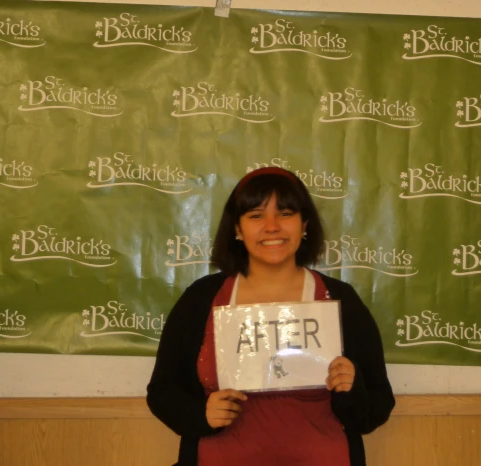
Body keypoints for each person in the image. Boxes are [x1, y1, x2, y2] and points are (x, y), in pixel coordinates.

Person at [146, 167, 394, 466]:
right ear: (237, 229)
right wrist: (200, 415)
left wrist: (351, 389)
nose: (272, 226)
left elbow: (376, 408)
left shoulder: (341, 300)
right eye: (255, 215)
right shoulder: (201, 299)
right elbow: (162, 392)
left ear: (305, 224)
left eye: (286, 213)